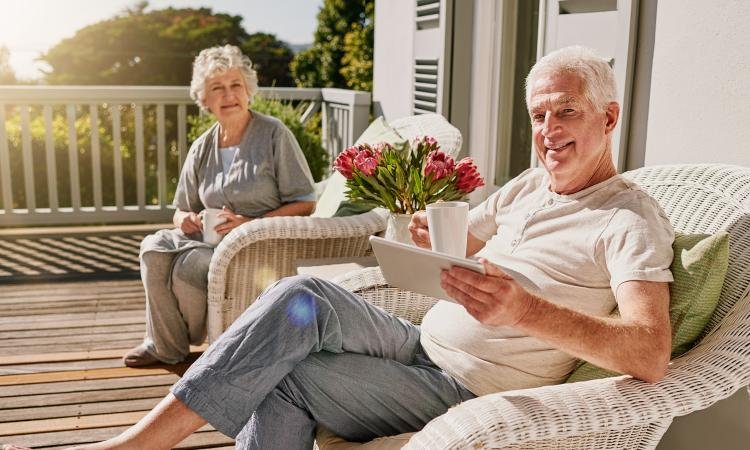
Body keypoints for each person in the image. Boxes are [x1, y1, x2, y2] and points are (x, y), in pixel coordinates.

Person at [3, 45, 675, 450]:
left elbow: (649, 351)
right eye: (538, 115)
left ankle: (134, 445)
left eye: (566, 112)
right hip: (418, 340)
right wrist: (426, 240)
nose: (549, 131)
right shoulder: (531, 186)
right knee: (298, 296)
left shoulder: (627, 219)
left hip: (462, 385)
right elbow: (464, 242)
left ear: (607, 117)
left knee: (282, 374)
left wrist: (526, 312)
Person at [122, 44, 317, 367]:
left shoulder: (273, 134)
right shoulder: (203, 146)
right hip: (208, 239)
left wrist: (248, 223)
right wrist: (185, 219)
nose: (229, 95)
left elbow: (305, 202)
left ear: (248, 91)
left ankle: (194, 341)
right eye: (218, 88)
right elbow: (180, 208)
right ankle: (164, 346)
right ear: (205, 100)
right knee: (153, 249)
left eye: (235, 85)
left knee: (189, 266)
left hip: (255, 243)